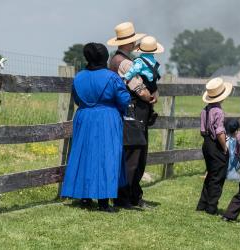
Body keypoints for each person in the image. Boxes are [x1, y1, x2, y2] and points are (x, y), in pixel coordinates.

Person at [61, 43, 131, 212]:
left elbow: (77, 99)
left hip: (84, 117)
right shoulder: (112, 77)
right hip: (107, 118)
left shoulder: (79, 77)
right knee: (107, 156)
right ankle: (103, 202)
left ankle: (85, 198)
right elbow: (124, 100)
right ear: (104, 57)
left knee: (84, 155)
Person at [108, 22, 157, 209]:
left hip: (126, 111)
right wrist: (149, 96)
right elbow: (137, 87)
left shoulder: (115, 59)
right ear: (130, 43)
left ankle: (129, 196)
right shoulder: (126, 63)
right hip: (134, 111)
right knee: (134, 156)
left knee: (130, 154)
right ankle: (126, 197)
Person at [196, 77, 233, 215]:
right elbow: (219, 132)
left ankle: (202, 204)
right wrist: (224, 148)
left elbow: (202, 130)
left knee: (210, 174)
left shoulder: (205, 109)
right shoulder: (218, 111)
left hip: (206, 143)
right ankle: (211, 207)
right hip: (215, 144)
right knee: (218, 177)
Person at [123, 35, 164, 125]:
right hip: (153, 85)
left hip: (144, 83)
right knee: (151, 100)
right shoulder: (156, 63)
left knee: (140, 99)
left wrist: (126, 77)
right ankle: (151, 111)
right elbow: (158, 73)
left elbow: (135, 70)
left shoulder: (139, 61)